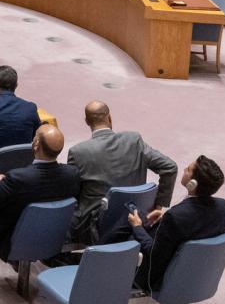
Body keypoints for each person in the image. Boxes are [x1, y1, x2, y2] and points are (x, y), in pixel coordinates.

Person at [102, 156, 225, 296]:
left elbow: (153, 253)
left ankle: (100, 261)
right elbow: (196, 224)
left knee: (128, 219)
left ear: (192, 184)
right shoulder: (223, 207)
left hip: (155, 277)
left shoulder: (175, 216)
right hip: (191, 272)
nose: (184, 169)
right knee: (139, 214)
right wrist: (166, 216)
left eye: (188, 169)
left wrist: (137, 226)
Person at [0, 124, 80, 259]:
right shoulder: (72, 174)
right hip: (51, 236)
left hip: (11, 237)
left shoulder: (18, 178)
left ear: (36, 145)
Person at [66, 101, 178, 246]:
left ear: (87, 121)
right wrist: (158, 206)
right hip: (134, 216)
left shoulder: (77, 152)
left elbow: (72, 191)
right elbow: (170, 168)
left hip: (96, 226)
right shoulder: (133, 140)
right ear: (109, 117)